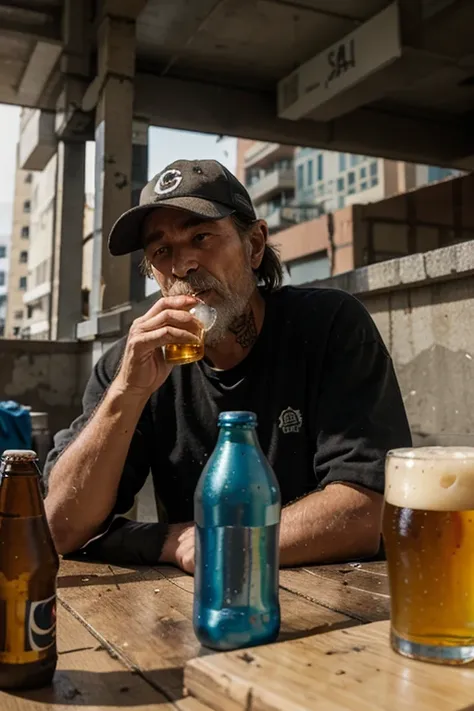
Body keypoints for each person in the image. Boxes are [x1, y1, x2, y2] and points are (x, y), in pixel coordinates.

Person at [43, 159, 411, 573]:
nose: (183, 266)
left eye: (201, 237)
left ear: (254, 246)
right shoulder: (130, 364)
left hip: (343, 599)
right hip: (196, 608)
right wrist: (126, 395)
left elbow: (366, 509)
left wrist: (221, 542)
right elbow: (60, 527)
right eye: (162, 251)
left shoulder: (328, 326)